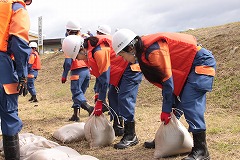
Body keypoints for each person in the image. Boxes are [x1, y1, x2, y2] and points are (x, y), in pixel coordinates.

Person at [112, 29, 216, 159]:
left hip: (201, 63)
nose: (124, 60)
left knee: (190, 103)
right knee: (175, 103)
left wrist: (165, 110)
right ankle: (167, 138)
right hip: (187, 67)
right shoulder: (144, 51)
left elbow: (167, 82)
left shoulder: (153, 50)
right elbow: (165, 81)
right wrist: (168, 107)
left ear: (130, 48)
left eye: (122, 55)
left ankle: (201, 150)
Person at [62, 34, 143, 149]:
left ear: (82, 50)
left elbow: (105, 78)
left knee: (124, 98)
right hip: (119, 73)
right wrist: (99, 97)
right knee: (112, 96)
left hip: (130, 67)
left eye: (76, 56)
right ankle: (118, 126)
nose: (77, 60)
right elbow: (100, 77)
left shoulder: (99, 51)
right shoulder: (89, 54)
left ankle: (131, 135)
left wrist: (100, 100)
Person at [0, 0, 33, 159]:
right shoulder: (17, 8)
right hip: (2, 64)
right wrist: (22, 75)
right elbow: (19, 42)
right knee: (9, 114)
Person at [62, 20, 93, 122]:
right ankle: (75, 115)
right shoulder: (83, 39)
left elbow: (67, 62)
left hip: (77, 71)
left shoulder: (70, 41)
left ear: (68, 30)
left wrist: (64, 75)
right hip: (87, 71)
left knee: (76, 93)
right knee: (80, 94)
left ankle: (88, 108)